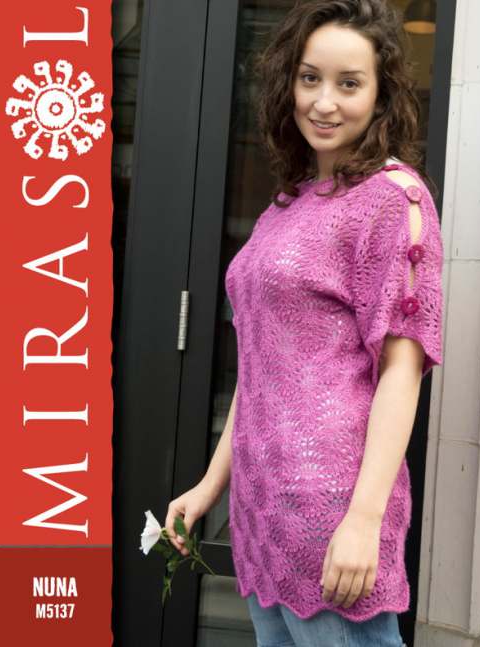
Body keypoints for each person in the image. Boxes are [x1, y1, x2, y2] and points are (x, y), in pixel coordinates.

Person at [165, 0, 443, 645]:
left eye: (349, 84)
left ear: (381, 96)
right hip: (263, 507)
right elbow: (264, 363)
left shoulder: (392, 199)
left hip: (332, 507)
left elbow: (402, 370)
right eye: (310, 78)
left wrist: (364, 519)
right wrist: (210, 486)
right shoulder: (287, 204)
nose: (324, 102)